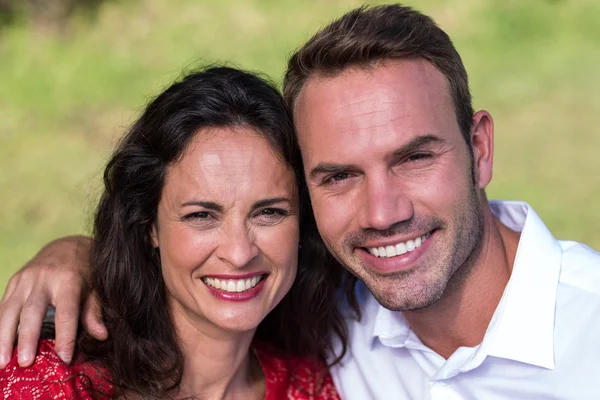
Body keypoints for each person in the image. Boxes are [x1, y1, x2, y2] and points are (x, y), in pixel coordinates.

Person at [3, 3, 600, 399]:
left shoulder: (314, 365)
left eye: (414, 157)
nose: (382, 213)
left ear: (480, 148)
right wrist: (76, 254)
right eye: (338, 176)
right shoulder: (342, 312)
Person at [0, 66, 343, 399]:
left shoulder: (310, 386)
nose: (239, 253)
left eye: (269, 212)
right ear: (150, 226)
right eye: (201, 215)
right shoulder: (47, 379)